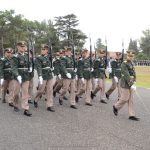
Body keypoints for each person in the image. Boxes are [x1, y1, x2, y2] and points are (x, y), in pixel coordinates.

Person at [113, 50, 140, 121]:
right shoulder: (124, 64)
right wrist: (131, 83)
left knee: (131, 99)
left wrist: (134, 82)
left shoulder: (131, 63)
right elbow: (126, 74)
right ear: (126, 56)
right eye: (129, 56)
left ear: (133, 57)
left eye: (132, 56)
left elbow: (133, 74)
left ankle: (132, 115)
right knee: (125, 98)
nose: (130, 57)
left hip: (131, 83)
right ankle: (116, 107)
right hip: (125, 83)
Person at [34, 44, 55, 112]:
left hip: (49, 75)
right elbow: (39, 67)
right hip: (43, 75)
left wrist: (52, 68)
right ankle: (36, 99)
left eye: (44, 49)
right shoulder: (39, 58)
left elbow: (51, 64)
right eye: (42, 49)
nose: (43, 51)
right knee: (41, 90)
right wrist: (40, 76)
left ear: (47, 51)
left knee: (50, 90)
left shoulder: (49, 57)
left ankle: (49, 105)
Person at [15, 41, 32, 116]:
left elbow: (30, 62)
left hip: (26, 76)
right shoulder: (15, 56)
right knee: (16, 93)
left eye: (24, 46)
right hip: (17, 76)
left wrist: (30, 67)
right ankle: (15, 104)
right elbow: (13, 67)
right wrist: (17, 75)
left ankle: (26, 108)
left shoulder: (27, 55)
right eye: (21, 47)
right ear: (18, 47)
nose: (23, 48)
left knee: (25, 92)